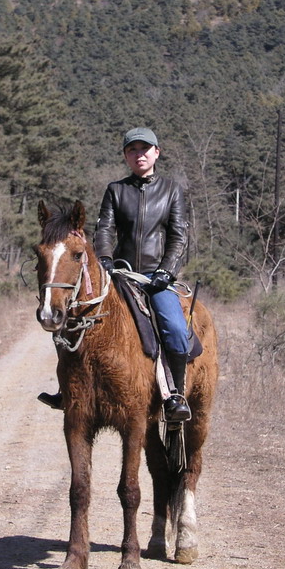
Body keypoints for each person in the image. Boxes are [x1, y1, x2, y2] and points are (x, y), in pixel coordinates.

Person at [39, 126, 193, 422]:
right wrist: (106, 260)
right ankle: (65, 388)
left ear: (157, 152)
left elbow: (178, 236)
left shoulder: (172, 190)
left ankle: (174, 394)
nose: (139, 155)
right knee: (72, 319)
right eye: (132, 150)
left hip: (155, 278)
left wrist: (166, 270)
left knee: (174, 328)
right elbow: (105, 230)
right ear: (126, 156)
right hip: (119, 274)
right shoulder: (116, 190)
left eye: (145, 149)